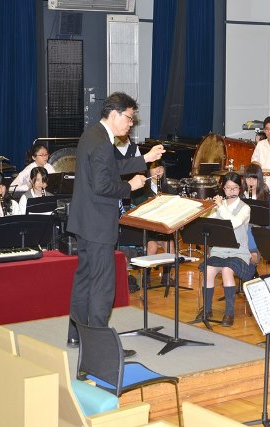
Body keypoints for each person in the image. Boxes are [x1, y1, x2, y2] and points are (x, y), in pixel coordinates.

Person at [66, 92, 164, 351]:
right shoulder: (101, 142)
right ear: (114, 114)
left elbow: (110, 167)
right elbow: (103, 185)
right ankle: (100, 346)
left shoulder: (92, 135)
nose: (131, 124)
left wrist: (144, 159)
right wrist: (129, 186)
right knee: (102, 285)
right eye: (129, 118)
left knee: (84, 279)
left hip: (85, 222)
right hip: (98, 224)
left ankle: (75, 334)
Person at [199, 172, 253, 327]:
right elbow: (206, 222)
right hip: (219, 250)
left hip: (238, 252)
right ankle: (207, 309)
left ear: (240, 189)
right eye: (228, 188)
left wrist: (220, 207)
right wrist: (207, 207)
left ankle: (229, 313)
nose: (232, 191)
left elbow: (233, 223)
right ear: (223, 189)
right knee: (208, 270)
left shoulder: (245, 208)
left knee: (227, 270)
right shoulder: (218, 205)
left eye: (235, 188)